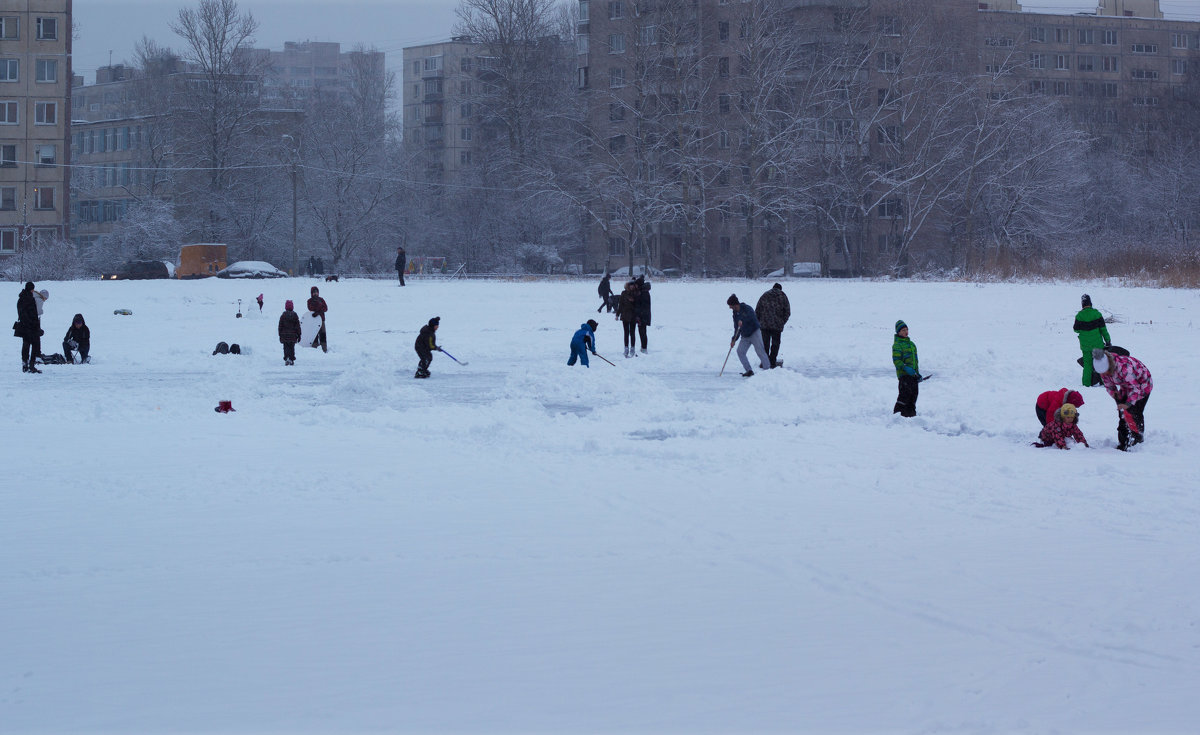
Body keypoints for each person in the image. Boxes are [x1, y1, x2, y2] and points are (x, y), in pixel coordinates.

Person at [1092, 347, 1153, 450]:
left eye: (1106, 372)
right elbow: (1109, 385)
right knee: (1123, 415)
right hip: (1126, 386)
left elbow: (1135, 388)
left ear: (1109, 366)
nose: (1104, 375)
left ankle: (1137, 441)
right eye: (1102, 373)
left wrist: (1128, 404)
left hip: (1142, 385)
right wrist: (1116, 396)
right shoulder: (1103, 370)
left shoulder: (1125, 368)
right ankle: (1123, 443)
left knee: (1134, 412)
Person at [728, 294, 770, 377]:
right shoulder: (735, 314)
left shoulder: (747, 308)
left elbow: (752, 318)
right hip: (745, 336)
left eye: (730, 306)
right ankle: (749, 370)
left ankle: (768, 372)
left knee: (760, 352)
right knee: (740, 351)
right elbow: (737, 328)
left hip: (755, 333)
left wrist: (742, 320)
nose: (730, 308)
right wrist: (734, 340)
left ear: (735, 304)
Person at [1074, 293, 1112, 387]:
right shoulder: (1097, 314)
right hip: (1098, 345)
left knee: (1087, 365)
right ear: (1090, 303)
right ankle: (1104, 383)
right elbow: (1103, 329)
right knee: (1100, 364)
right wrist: (1108, 340)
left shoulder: (1079, 316)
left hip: (1085, 346)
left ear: (1082, 304)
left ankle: (1086, 384)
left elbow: (1076, 329)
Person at [755, 283, 791, 369]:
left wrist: (759, 321)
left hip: (764, 325)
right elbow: (787, 312)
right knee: (775, 344)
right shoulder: (783, 296)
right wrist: (782, 322)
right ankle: (772, 362)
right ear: (780, 289)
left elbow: (757, 310)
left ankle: (764, 362)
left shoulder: (765, 295)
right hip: (777, 326)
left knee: (765, 344)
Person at [892, 320, 920, 417]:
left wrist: (917, 373)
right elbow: (896, 360)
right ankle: (897, 416)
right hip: (904, 375)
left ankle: (911, 415)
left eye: (906, 329)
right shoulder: (897, 345)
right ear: (898, 332)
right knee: (905, 395)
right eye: (903, 330)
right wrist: (905, 368)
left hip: (913, 375)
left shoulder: (912, 345)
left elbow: (915, 361)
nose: (906, 332)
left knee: (914, 395)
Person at [15, 281, 42, 373]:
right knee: (34, 345)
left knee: (25, 345)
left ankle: (24, 364)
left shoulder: (20, 298)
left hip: (23, 326)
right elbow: (32, 313)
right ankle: (31, 365)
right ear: (31, 289)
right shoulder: (30, 298)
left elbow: (21, 313)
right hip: (31, 326)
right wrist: (34, 325)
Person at [616, 280, 639, 358]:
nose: (632, 287)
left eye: (633, 285)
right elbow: (620, 304)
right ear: (628, 286)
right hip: (625, 315)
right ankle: (626, 348)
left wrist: (633, 301)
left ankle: (632, 348)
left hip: (633, 315)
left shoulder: (636, 293)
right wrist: (617, 314)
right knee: (626, 332)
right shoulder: (624, 293)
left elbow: (638, 305)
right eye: (630, 285)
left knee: (632, 332)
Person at [278, 300, 301, 366]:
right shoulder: (295, 315)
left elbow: (280, 326)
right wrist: (299, 334)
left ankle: (287, 358)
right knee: (292, 348)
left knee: (286, 347)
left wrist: (280, 334)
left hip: (284, 336)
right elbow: (297, 326)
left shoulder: (283, 315)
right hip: (293, 336)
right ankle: (291, 358)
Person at [307, 285, 328, 352]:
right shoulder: (309, 301)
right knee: (314, 335)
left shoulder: (321, 300)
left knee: (323, 335)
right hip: (313, 321)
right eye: (314, 292)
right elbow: (310, 308)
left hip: (322, 320)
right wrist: (317, 305)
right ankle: (314, 349)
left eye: (317, 292)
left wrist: (318, 312)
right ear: (311, 293)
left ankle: (324, 349)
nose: (315, 293)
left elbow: (325, 308)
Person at [634, 275, 652, 353]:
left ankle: (644, 348)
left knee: (643, 332)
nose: (635, 286)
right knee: (642, 332)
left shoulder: (644, 293)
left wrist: (639, 316)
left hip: (643, 316)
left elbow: (643, 306)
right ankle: (643, 347)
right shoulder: (642, 292)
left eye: (636, 284)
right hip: (643, 316)